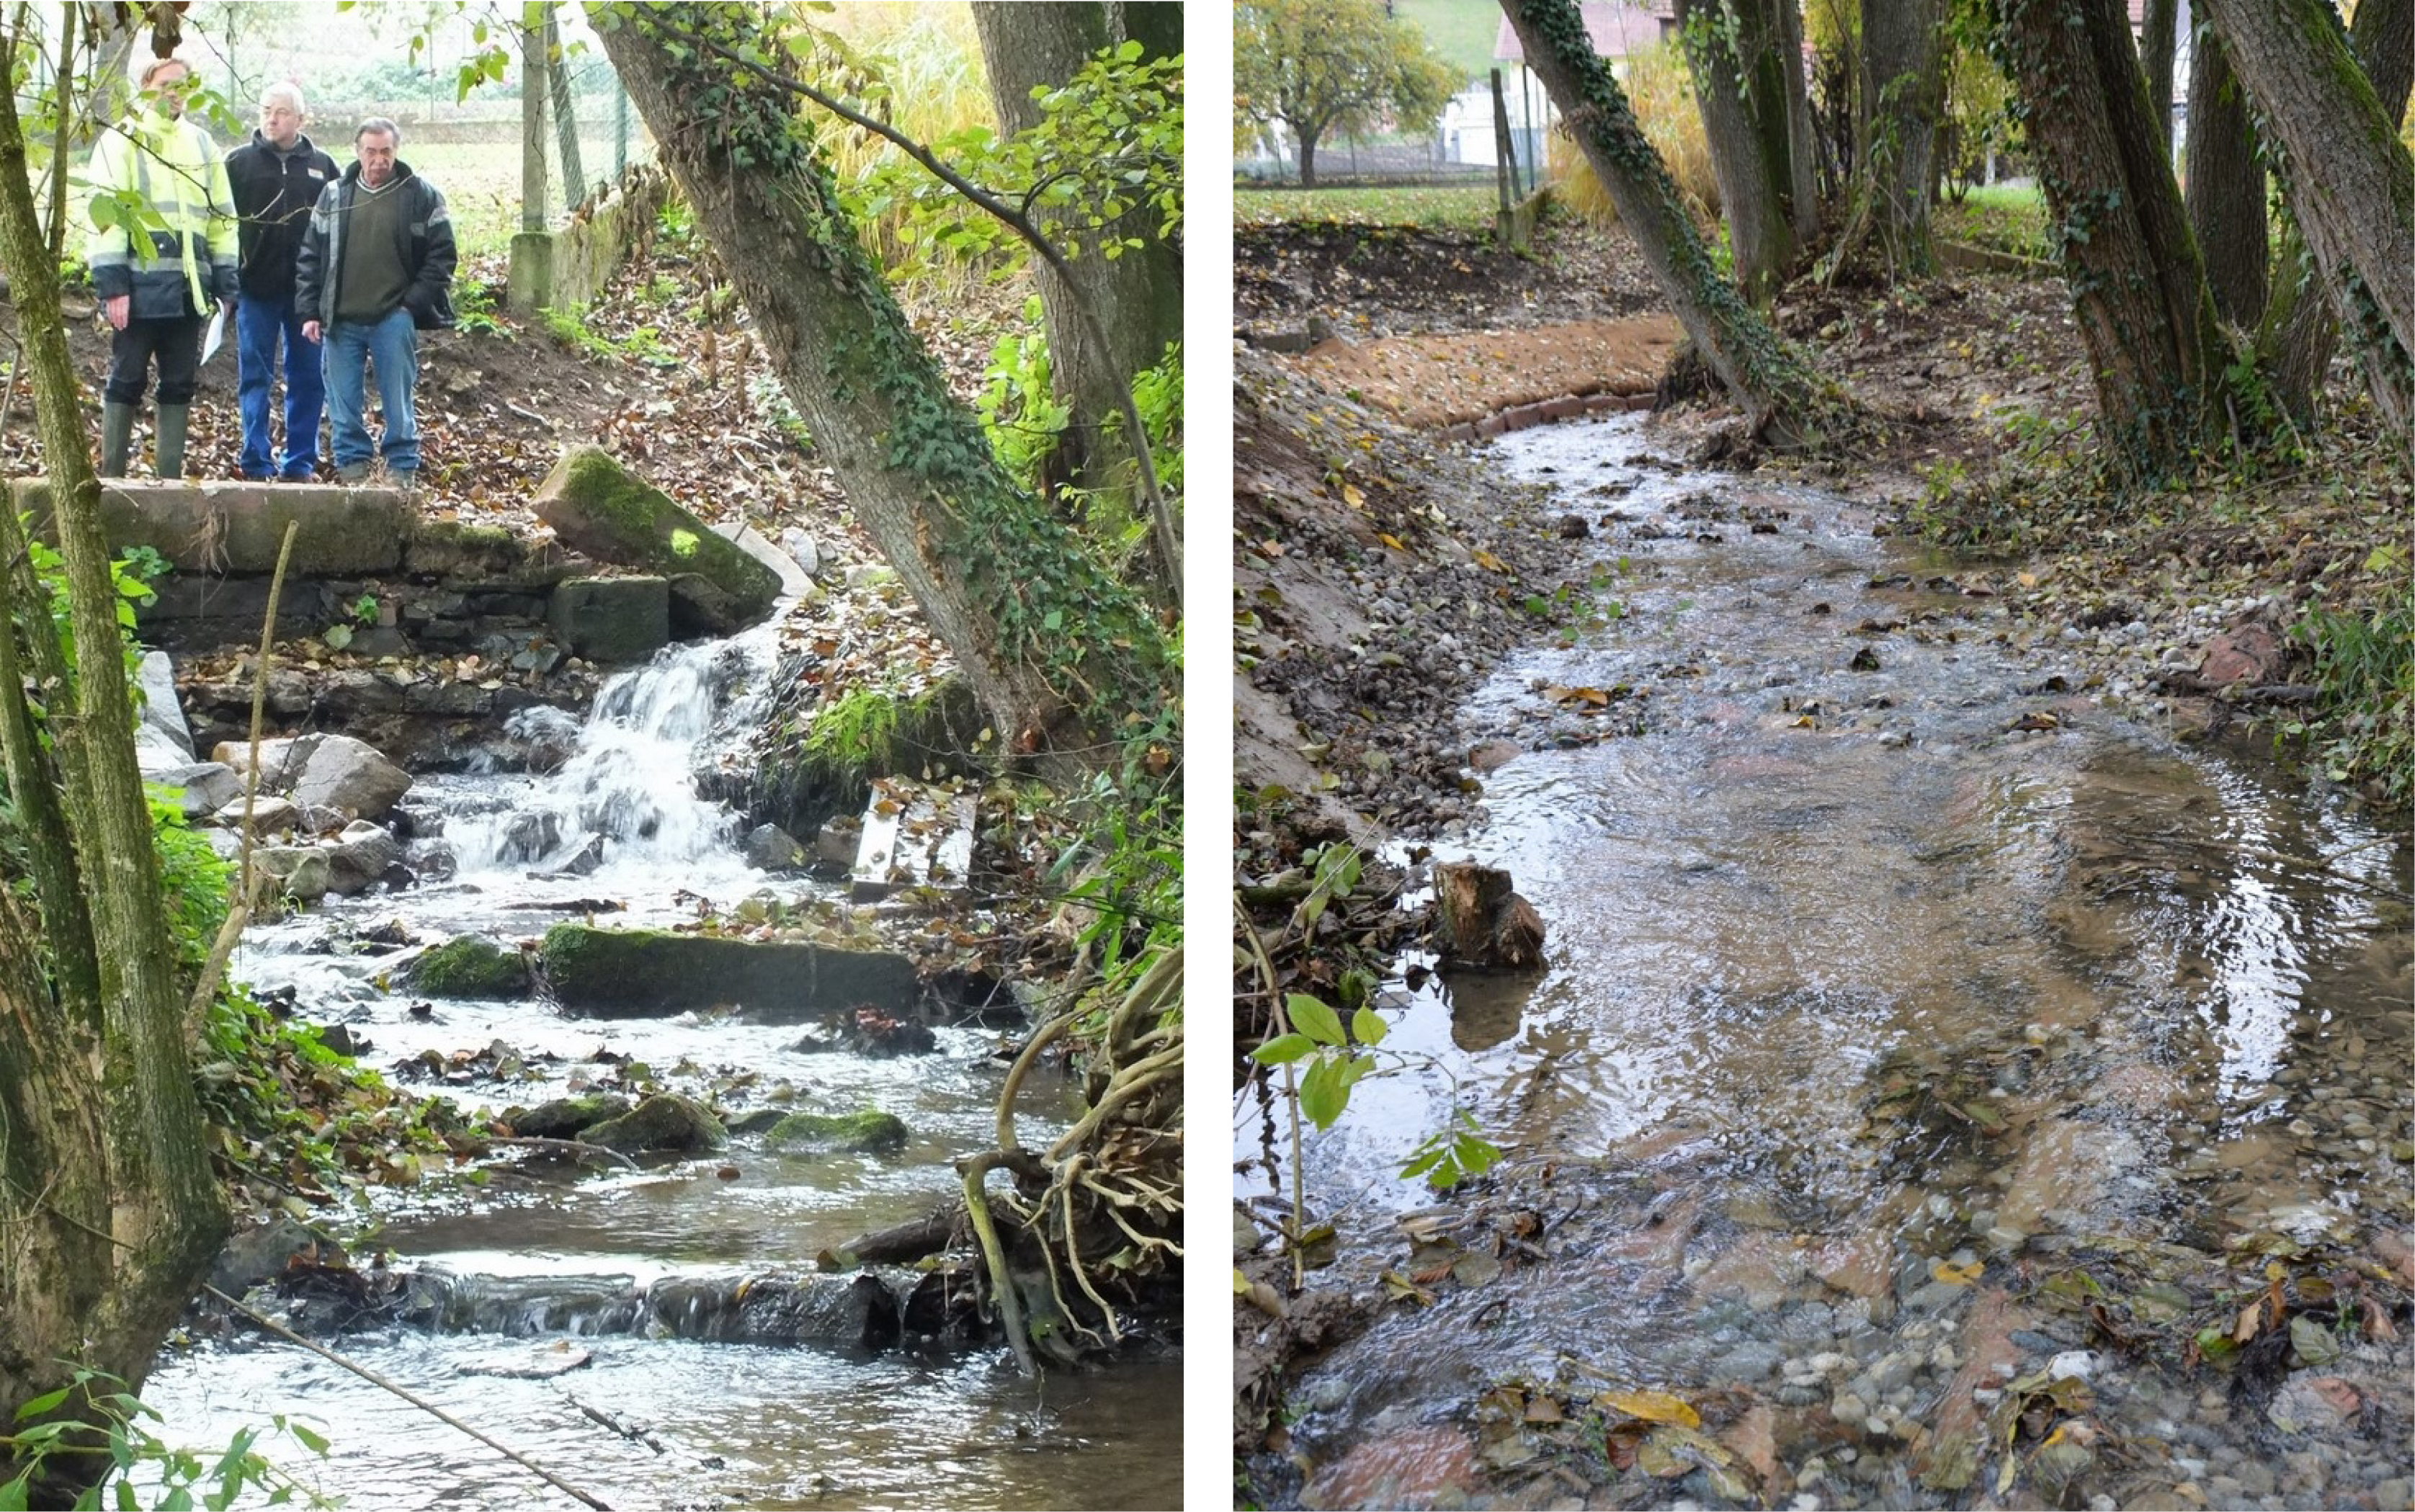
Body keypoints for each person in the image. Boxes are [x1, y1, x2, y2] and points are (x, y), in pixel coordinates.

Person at [83, 55, 239, 479]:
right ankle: (112, 479)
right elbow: (107, 218)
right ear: (146, 86)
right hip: (138, 290)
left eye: (184, 85)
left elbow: (223, 221)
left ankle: (168, 482)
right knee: (126, 379)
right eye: (168, 83)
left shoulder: (203, 145)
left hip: (189, 292)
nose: (176, 92)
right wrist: (113, 285)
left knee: (178, 385)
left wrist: (226, 285)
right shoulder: (123, 139)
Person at [294, 117, 455, 488]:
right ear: (358, 152)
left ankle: (401, 469)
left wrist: (410, 306)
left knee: (398, 400)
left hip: (393, 318)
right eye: (371, 151)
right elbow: (310, 256)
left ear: (396, 152)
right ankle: (354, 471)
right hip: (341, 319)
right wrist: (309, 311)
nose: (379, 159)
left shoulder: (421, 196)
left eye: (386, 151)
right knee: (342, 402)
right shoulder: (334, 196)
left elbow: (442, 256)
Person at [224, 81, 337, 481]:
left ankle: (300, 463)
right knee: (255, 375)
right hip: (254, 291)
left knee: (307, 377)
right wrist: (228, 283)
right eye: (266, 111)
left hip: (307, 296)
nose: (272, 119)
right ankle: (255, 461)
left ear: (300, 119)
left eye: (281, 112)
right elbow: (222, 227)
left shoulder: (324, 167)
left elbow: (336, 232)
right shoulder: (238, 164)